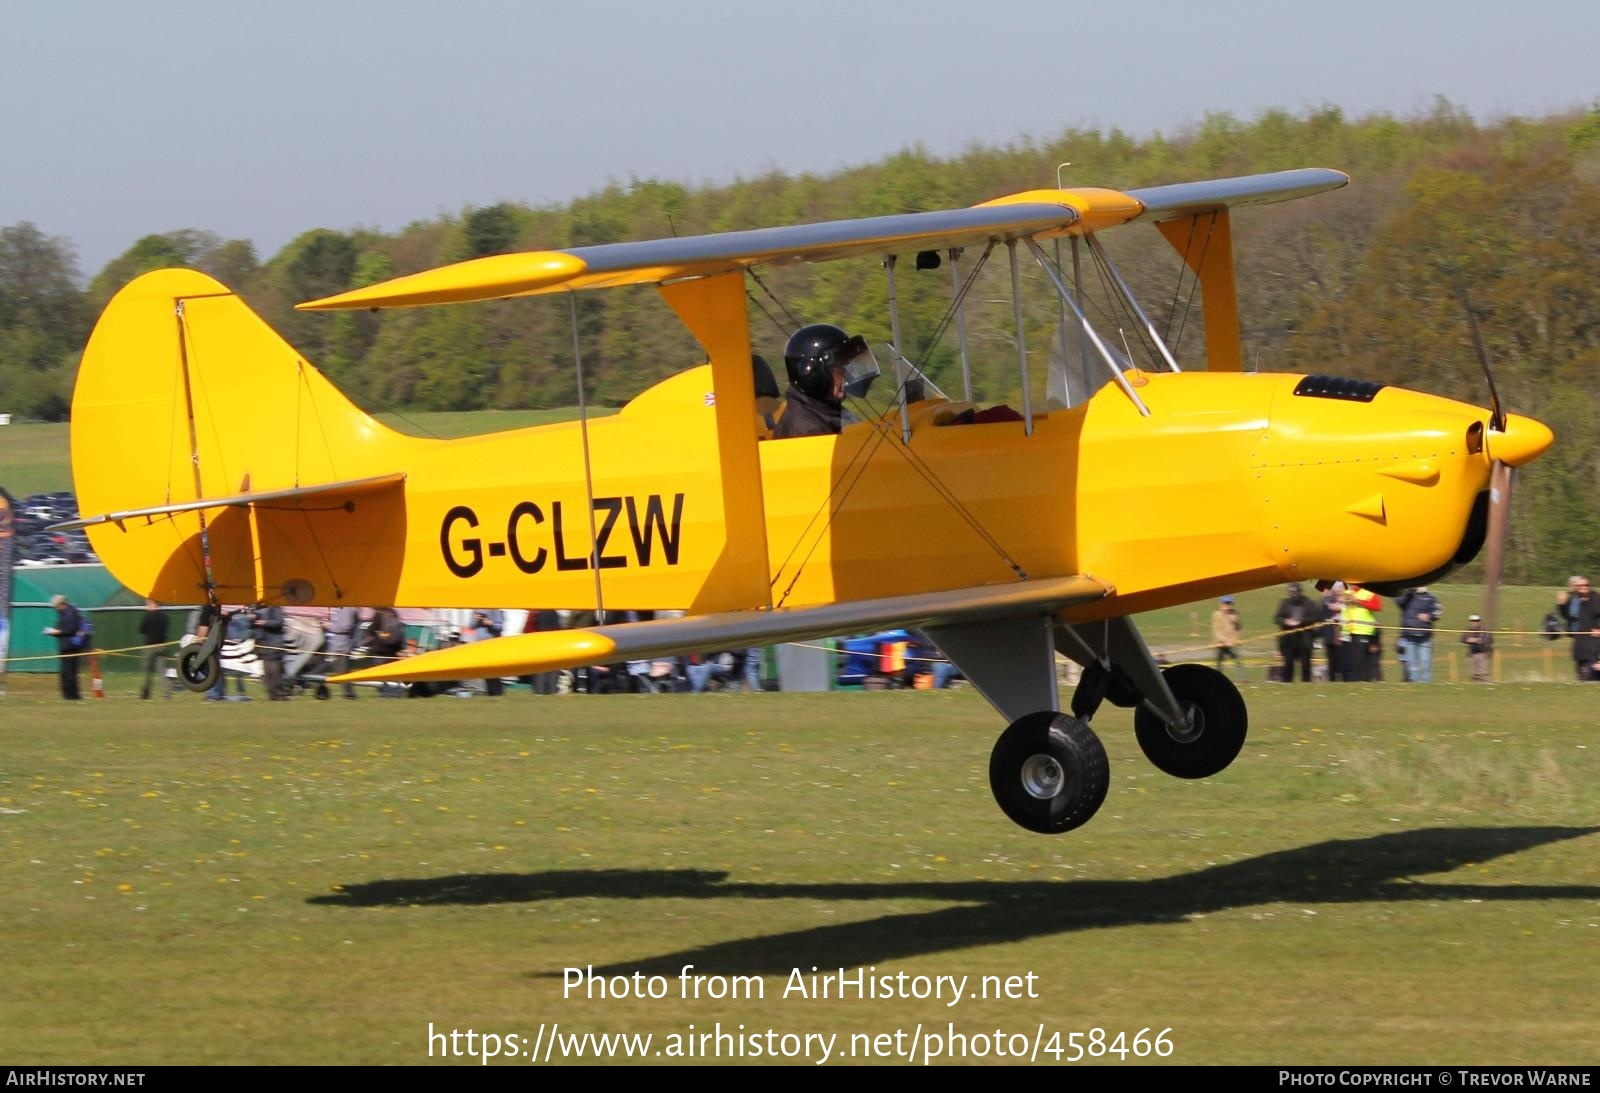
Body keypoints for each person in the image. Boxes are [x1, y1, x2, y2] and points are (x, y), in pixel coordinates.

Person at [771, 323, 873, 439]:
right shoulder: (806, 430)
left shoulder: (825, 412)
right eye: (842, 367)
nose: (849, 374)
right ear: (814, 375)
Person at [1272, 583, 1319, 682]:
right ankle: (1287, 683)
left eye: (1296, 592)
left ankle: (1306, 683)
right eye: (1291, 592)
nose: (1293, 594)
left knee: (1305, 664)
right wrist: (1286, 621)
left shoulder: (1309, 603)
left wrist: (1301, 622)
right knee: (1288, 664)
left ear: (1300, 592)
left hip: (1304, 639)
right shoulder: (1285, 603)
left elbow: (1316, 617)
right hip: (1288, 640)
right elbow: (1276, 618)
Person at [1395, 586, 1442, 684]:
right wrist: (1409, 592)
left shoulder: (1430, 597)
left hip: (1425, 635)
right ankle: (1414, 682)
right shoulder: (1407, 596)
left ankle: (1426, 682)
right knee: (1412, 663)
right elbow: (1399, 602)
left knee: (1425, 661)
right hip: (1409, 635)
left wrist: (1429, 616)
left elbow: (1438, 611)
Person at [43, 594, 83, 700]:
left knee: (70, 673)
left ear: (61, 604)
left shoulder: (70, 613)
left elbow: (71, 629)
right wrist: (53, 631)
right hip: (65, 647)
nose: (55, 609)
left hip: (71, 647)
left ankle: (73, 697)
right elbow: (62, 627)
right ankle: (67, 696)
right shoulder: (64, 613)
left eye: (56, 607)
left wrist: (56, 631)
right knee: (65, 673)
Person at [250, 604, 288, 700]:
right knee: (267, 670)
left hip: (274, 642)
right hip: (262, 642)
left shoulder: (275, 607)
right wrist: (251, 618)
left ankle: (280, 694)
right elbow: (250, 624)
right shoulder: (255, 608)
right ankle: (272, 694)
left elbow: (279, 622)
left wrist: (264, 622)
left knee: (274, 670)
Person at [324, 606, 362, 699]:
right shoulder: (338, 609)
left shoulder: (346, 609)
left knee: (343, 671)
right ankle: (348, 693)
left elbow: (346, 626)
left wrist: (330, 626)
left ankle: (349, 694)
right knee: (338, 670)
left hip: (343, 645)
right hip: (336, 645)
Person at [466, 609, 505, 695]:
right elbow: (470, 626)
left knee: (493, 668)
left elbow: (500, 627)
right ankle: (485, 690)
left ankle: (496, 691)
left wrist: (489, 623)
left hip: (492, 642)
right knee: (483, 667)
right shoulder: (476, 609)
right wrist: (476, 620)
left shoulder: (495, 609)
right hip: (479, 643)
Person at [138, 598, 171, 699]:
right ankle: (166, 693)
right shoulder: (164, 617)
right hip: (161, 646)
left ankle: (146, 693)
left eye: (148, 604)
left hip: (149, 646)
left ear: (153, 604)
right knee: (161, 670)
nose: (146, 606)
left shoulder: (148, 617)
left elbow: (141, 629)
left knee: (147, 671)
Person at [1574, 578, 1600, 682]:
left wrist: (1599, 628)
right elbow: (1569, 618)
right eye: (1580, 585)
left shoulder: (1596, 598)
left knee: (1594, 669)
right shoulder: (1575, 601)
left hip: (1595, 640)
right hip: (1581, 643)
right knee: (1583, 674)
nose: (1584, 586)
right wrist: (1561, 605)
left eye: (1586, 584)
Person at [1211, 596, 1242, 674]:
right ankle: (1217, 678)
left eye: (1230, 603)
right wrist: (1223, 640)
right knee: (1219, 663)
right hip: (1221, 644)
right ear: (1221, 604)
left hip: (1232, 643)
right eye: (1226, 603)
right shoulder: (1217, 614)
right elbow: (1216, 630)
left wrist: (1235, 640)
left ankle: (1242, 679)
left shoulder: (1235, 613)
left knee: (1237, 661)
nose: (1228, 605)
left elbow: (1238, 628)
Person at [1462, 614, 1495, 682]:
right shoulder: (1468, 630)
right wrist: (1468, 640)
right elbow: (1463, 639)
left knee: (1483, 673)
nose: (1474, 622)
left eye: (1476, 621)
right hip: (1471, 654)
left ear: (1479, 621)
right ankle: (1476, 686)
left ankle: (1487, 685)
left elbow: (1490, 640)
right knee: (1474, 674)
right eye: (1473, 621)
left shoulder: (1484, 630)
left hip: (1483, 654)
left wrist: (1479, 640)